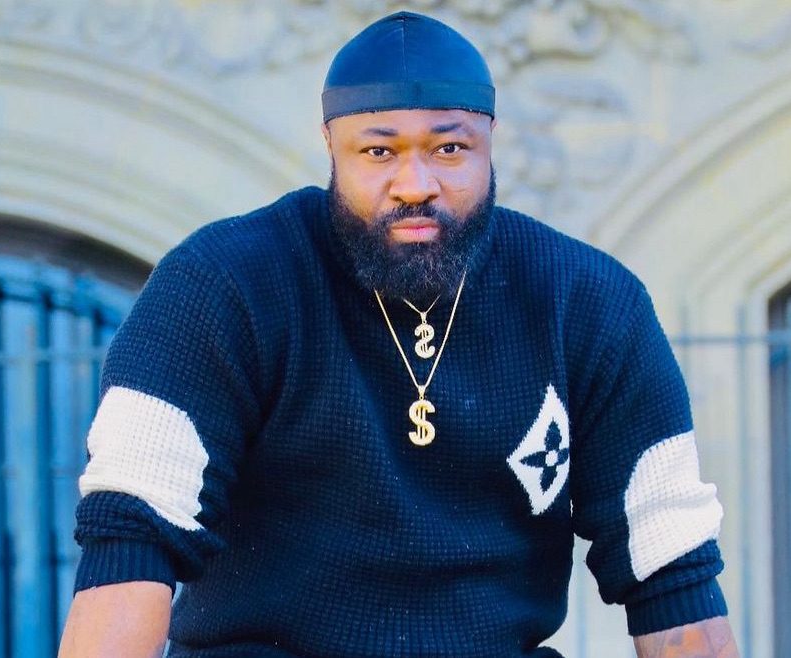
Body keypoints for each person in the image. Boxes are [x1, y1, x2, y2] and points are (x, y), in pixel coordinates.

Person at [59, 11, 738, 658]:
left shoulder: (591, 302)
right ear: (331, 146)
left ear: (491, 142)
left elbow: (669, 566)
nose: (415, 184)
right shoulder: (221, 284)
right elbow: (134, 529)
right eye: (379, 151)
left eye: (449, 149)